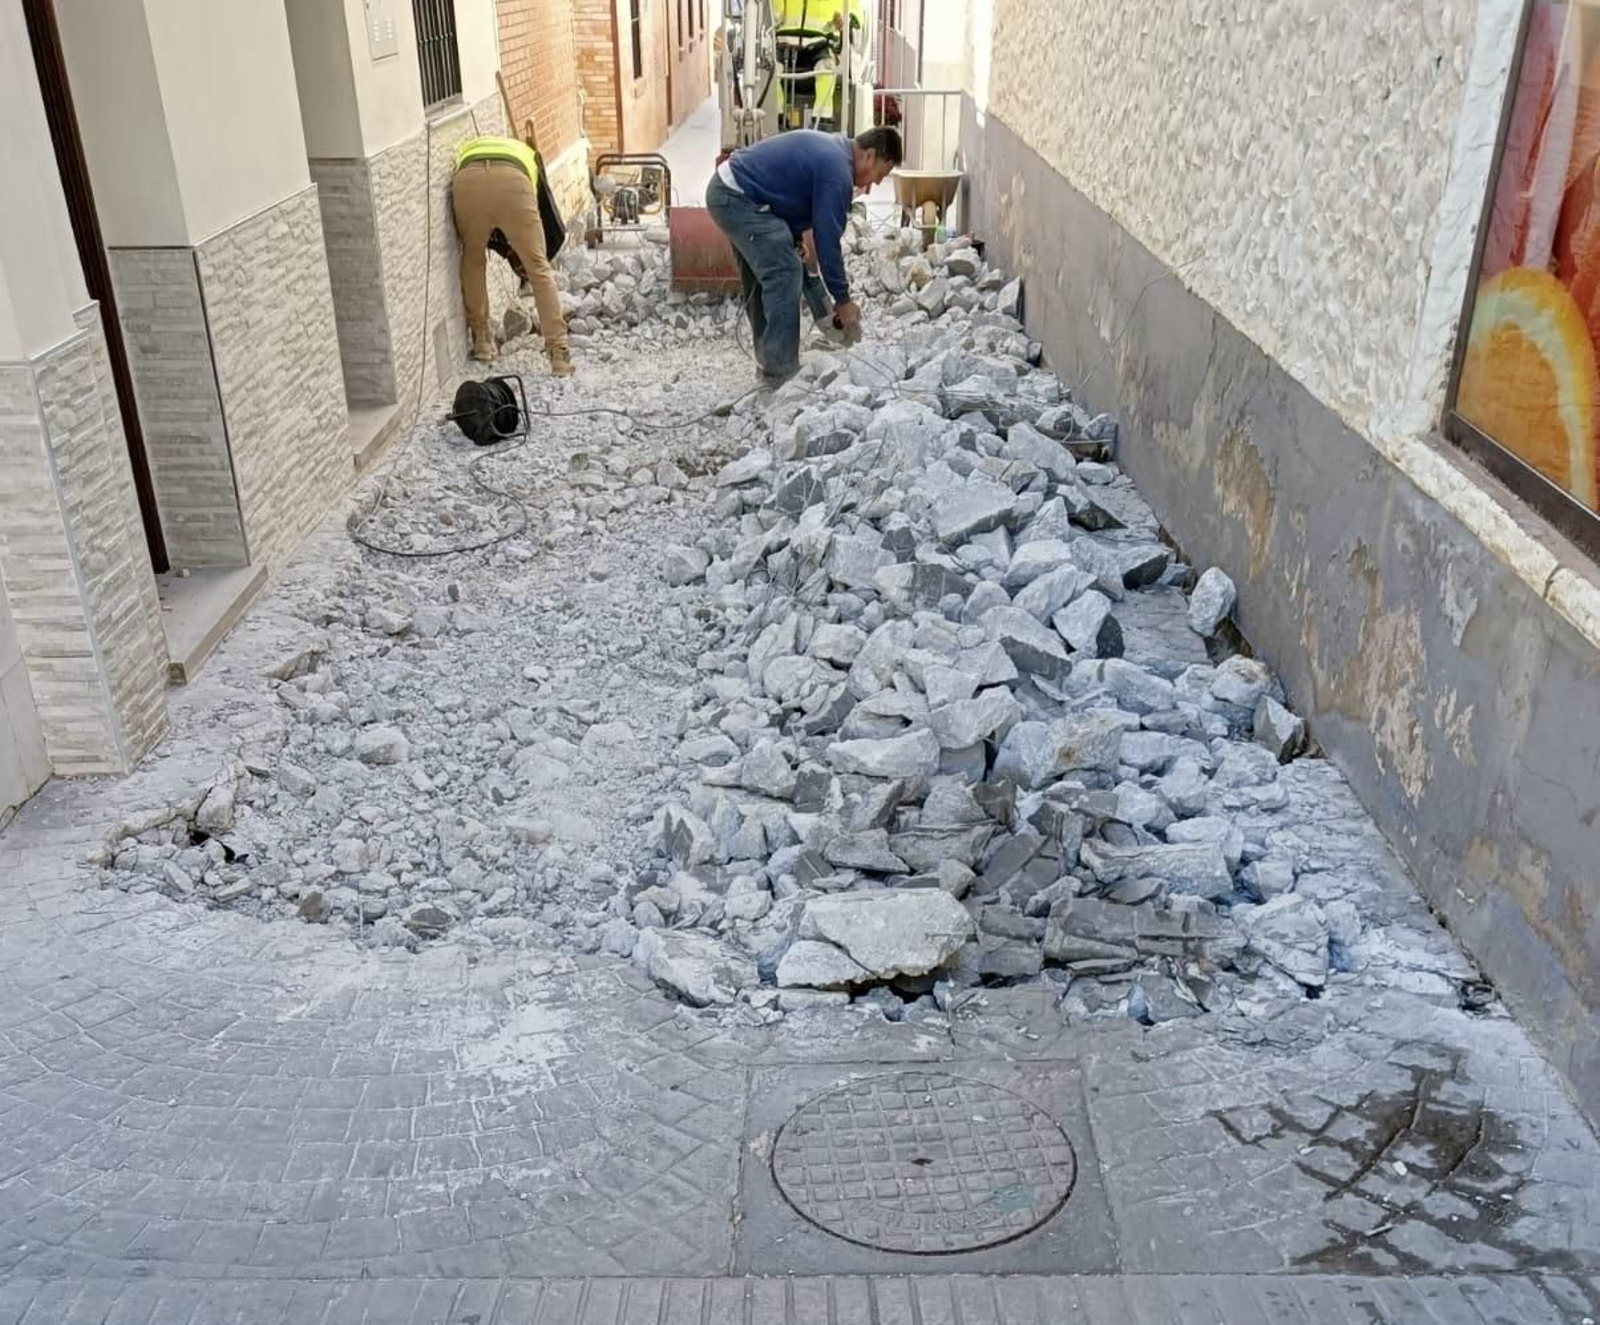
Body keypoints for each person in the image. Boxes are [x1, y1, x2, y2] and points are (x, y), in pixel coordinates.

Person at [705, 126, 902, 386]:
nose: (874, 185)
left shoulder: (835, 153)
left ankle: (768, 363)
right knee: (785, 273)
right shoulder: (838, 173)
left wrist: (795, 238)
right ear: (869, 155)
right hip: (737, 197)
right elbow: (827, 241)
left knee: (767, 273)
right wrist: (842, 300)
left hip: (732, 190)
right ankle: (781, 374)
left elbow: (786, 190)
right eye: (880, 174)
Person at [451, 135, 573, 376]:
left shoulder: (468, 148)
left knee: (473, 259)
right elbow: (545, 212)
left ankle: (482, 340)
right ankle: (558, 354)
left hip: (467, 180)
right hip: (514, 182)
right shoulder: (527, 156)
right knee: (539, 269)